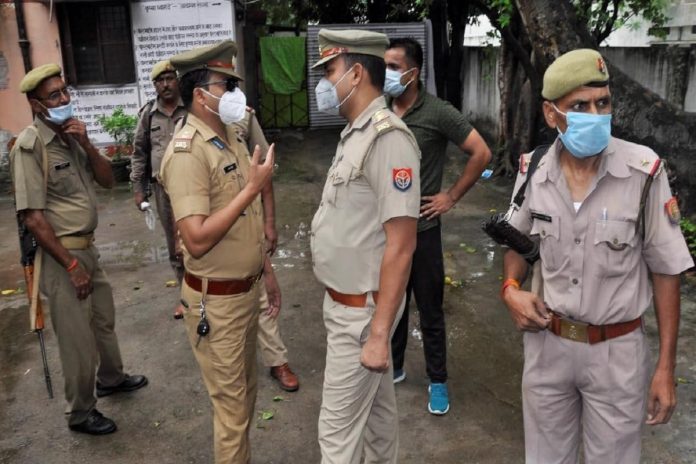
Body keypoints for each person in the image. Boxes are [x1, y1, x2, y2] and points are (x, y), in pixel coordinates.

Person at [500, 49, 693, 463]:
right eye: (580, 106)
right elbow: (519, 243)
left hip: (616, 353)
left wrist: (665, 368)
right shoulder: (534, 169)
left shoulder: (643, 172)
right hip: (547, 346)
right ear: (551, 113)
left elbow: (666, 271)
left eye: (602, 103)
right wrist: (511, 288)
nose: (596, 115)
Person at [9, 64, 148, 435]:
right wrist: (71, 266)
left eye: (65, 91)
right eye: (54, 95)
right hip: (62, 257)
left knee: (103, 320)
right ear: (36, 105)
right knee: (76, 339)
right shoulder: (31, 147)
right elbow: (33, 218)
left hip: (88, 248)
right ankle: (81, 412)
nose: (64, 99)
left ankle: (111, 379)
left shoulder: (71, 137)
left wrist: (87, 143)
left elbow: (107, 181)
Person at [159, 41, 278, 464]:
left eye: (234, 85)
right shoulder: (188, 151)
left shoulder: (231, 137)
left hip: (246, 292)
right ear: (200, 95)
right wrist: (252, 187)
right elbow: (195, 239)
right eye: (225, 85)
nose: (234, 93)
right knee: (232, 413)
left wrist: (266, 270)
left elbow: (246, 221)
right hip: (218, 304)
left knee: (245, 400)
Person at [310, 29, 420, 464]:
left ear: (355, 74)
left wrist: (377, 334)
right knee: (376, 423)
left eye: (329, 71)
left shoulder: (387, 138)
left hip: (362, 315)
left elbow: (402, 246)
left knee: (336, 439)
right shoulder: (356, 133)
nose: (323, 82)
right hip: (348, 306)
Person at [384, 37, 492, 415]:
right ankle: (394, 367)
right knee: (392, 303)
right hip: (386, 231)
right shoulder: (380, 109)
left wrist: (451, 196)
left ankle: (438, 380)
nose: (387, 74)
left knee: (429, 309)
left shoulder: (437, 112)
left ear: (413, 73)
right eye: (384, 66)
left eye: (394, 67)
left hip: (423, 231)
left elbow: (481, 152)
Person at [231, 108, 300, 392]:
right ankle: (234, 366)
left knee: (262, 294)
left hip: (249, 220)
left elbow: (264, 173)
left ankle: (277, 361)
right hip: (213, 228)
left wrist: (269, 222)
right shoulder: (187, 127)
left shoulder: (241, 115)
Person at [130, 59, 188, 317]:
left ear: (177, 80)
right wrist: (138, 188)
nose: (165, 84)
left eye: (170, 78)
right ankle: (185, 297)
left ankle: (206, 294)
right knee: (175, 246)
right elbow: (139, 153)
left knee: (196, 239)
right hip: (164, 190)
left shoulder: (191, 108)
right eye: (160, 81)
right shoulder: (148, 115)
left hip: (192, 185)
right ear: (154, 85)